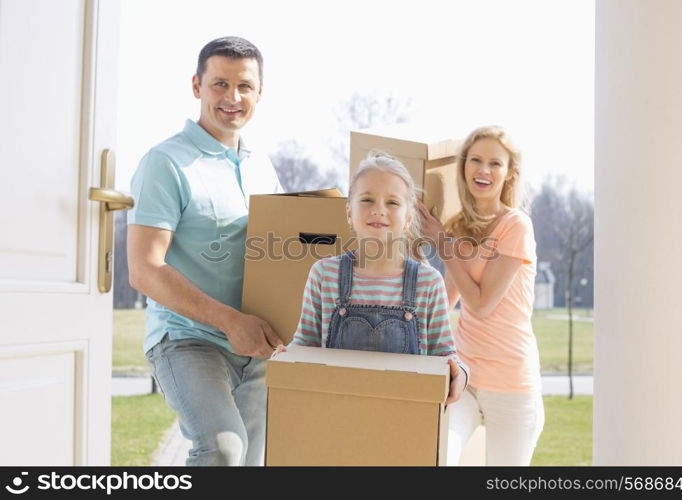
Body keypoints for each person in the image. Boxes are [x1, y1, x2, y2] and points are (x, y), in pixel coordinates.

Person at [126, 36, 284, 466]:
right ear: (197, 86)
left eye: (244, 86)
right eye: (220, 84)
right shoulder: (165, 163)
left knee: (252, 462)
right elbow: (144, 269)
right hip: (187, 339)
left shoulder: (262, 167)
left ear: (259, 93)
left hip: (258, 342)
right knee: (223, 450)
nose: (232, 98)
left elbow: (286, 253)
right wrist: (231, 322)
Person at [287, 152, 468, 404]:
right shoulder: (324, 274)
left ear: (408, 219)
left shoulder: (428, 283)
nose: (378, 210)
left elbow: (446, 356)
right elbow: (304, 345)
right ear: (349, 213)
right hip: (335, 415)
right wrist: (285, 357)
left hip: (403, 417)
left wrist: (461, 375)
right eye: (367, 199)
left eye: (392, 203)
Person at [418, 126, 544, 466]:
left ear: (509, 174)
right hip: (465, 378)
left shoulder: (515, 225)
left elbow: (481, 303)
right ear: (463, 167)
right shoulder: (457, 227)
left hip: (512, 383)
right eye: (475, 160)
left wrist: (442, 244)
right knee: (437, 458)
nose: (483, 171)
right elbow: (447, 301)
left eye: (494, 163)